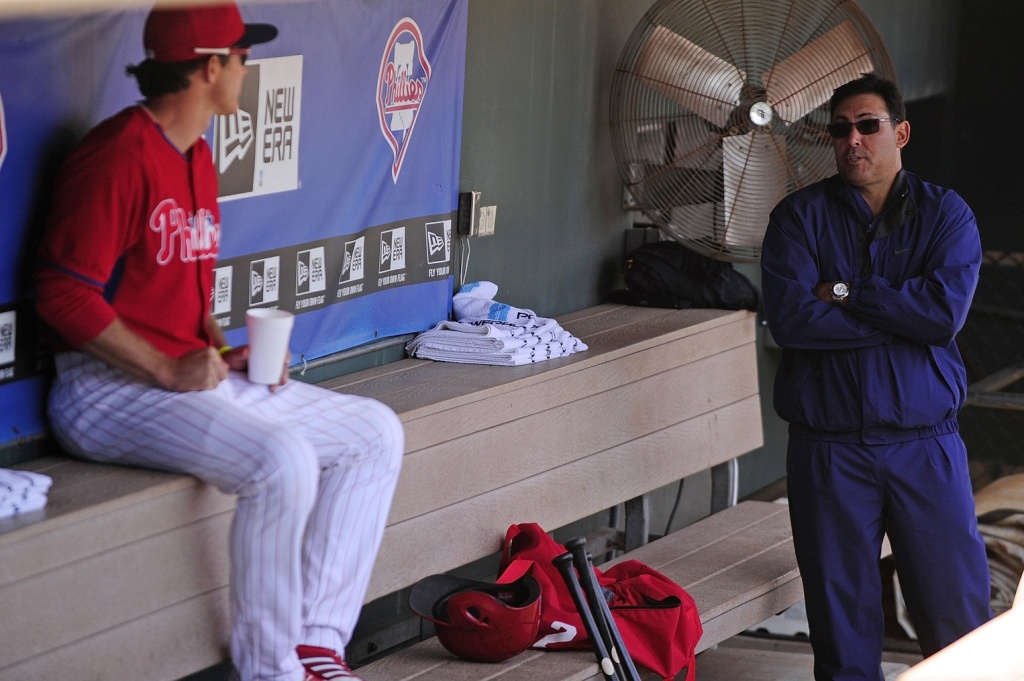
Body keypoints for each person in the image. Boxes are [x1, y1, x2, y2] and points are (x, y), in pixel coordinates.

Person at [33, 4, 403, 681]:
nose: (247, 67)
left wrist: (221, 348)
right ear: (209, 67)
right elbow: (61, 294)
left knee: (375, 432)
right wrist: (167, 370)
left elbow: (185, 289)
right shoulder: (116, 155)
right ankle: (271, 668)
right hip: (103, 389)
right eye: (240, 56)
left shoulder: (198, 154)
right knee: (282, 459)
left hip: (181, 380)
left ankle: (318, 641)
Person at [760, 73, 993, 681]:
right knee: (842, 637)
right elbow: (793, 322)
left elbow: (942, 315)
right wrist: (901, 316)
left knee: (960, 626)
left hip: (925, 445)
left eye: (868, 125)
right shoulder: (797, 218)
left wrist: (843, 292)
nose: (853, 140)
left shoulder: (947, 214)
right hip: (828, 451)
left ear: (901, 132)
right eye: (840, 130)